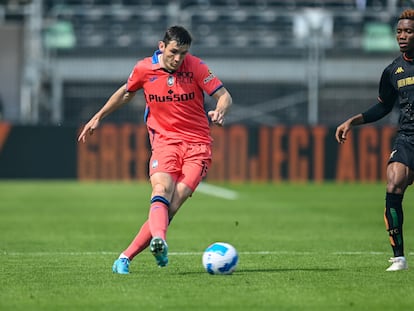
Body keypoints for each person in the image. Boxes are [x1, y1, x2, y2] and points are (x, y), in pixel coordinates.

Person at [78, 26, 232, 274]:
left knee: (174, 202)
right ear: (162, 47)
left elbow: (224, 96)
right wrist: (99, 116)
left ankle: (126, 256)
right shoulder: (144, 69)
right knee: (161, 190)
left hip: (198, 145)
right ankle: (159, 241)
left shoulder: (196, 67)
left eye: (183, 53)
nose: (178, 58)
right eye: (174, 52)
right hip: (164, 142)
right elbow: (126, 93)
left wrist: (221, 109)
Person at [335, 9, 414, 272]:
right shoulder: (393, 70)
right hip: (408, 138)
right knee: (393, 182)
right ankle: (399, 257)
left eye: (409, 31)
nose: (402, 36)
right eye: (399, 32)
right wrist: (352, 121)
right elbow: (383, 107)